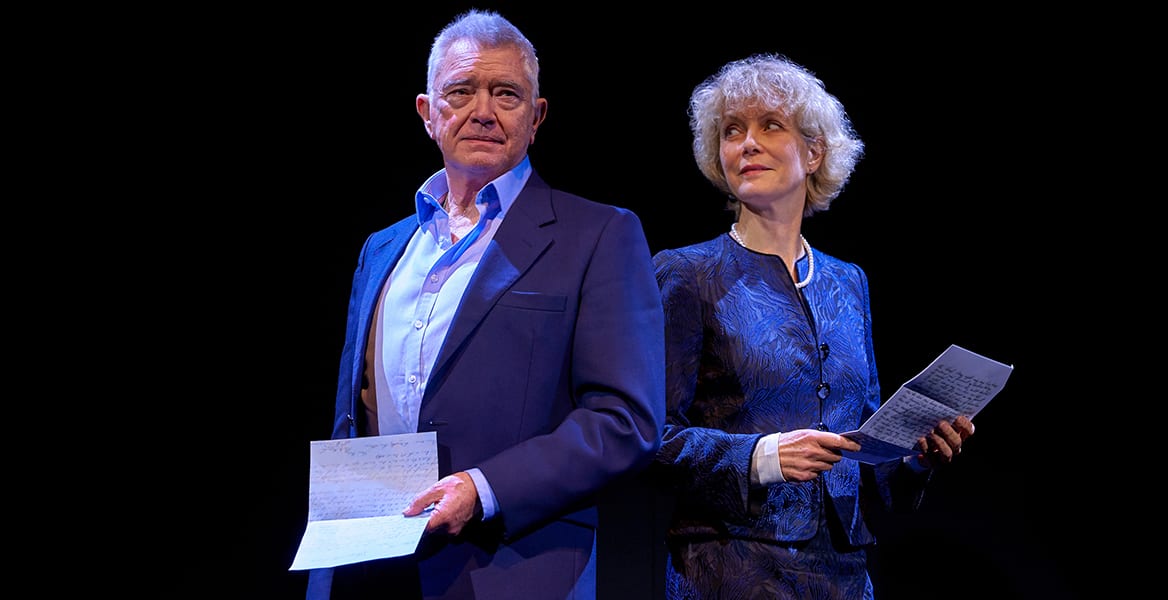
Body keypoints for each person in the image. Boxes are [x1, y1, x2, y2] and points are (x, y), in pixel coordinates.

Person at [305, 9, 665, 599]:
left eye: (507, 94)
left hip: (512, 569)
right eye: (461, 91)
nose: (483, 112)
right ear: (427, 113)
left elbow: (625, 422)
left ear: (537, 115)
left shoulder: (599, 235)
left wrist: (484, 487)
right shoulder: (383, 247)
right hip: (365, 568)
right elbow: (357, 414)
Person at [649, 53, 977, 599]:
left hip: (844, 575)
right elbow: (648, 439)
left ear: (814, 151)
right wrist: (763, 457)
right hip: (732, 569)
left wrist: (916, 456)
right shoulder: (687, 275)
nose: (747, 143)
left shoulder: (848, 282)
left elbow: (862, 452)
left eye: (769, 125)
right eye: (732, 131)